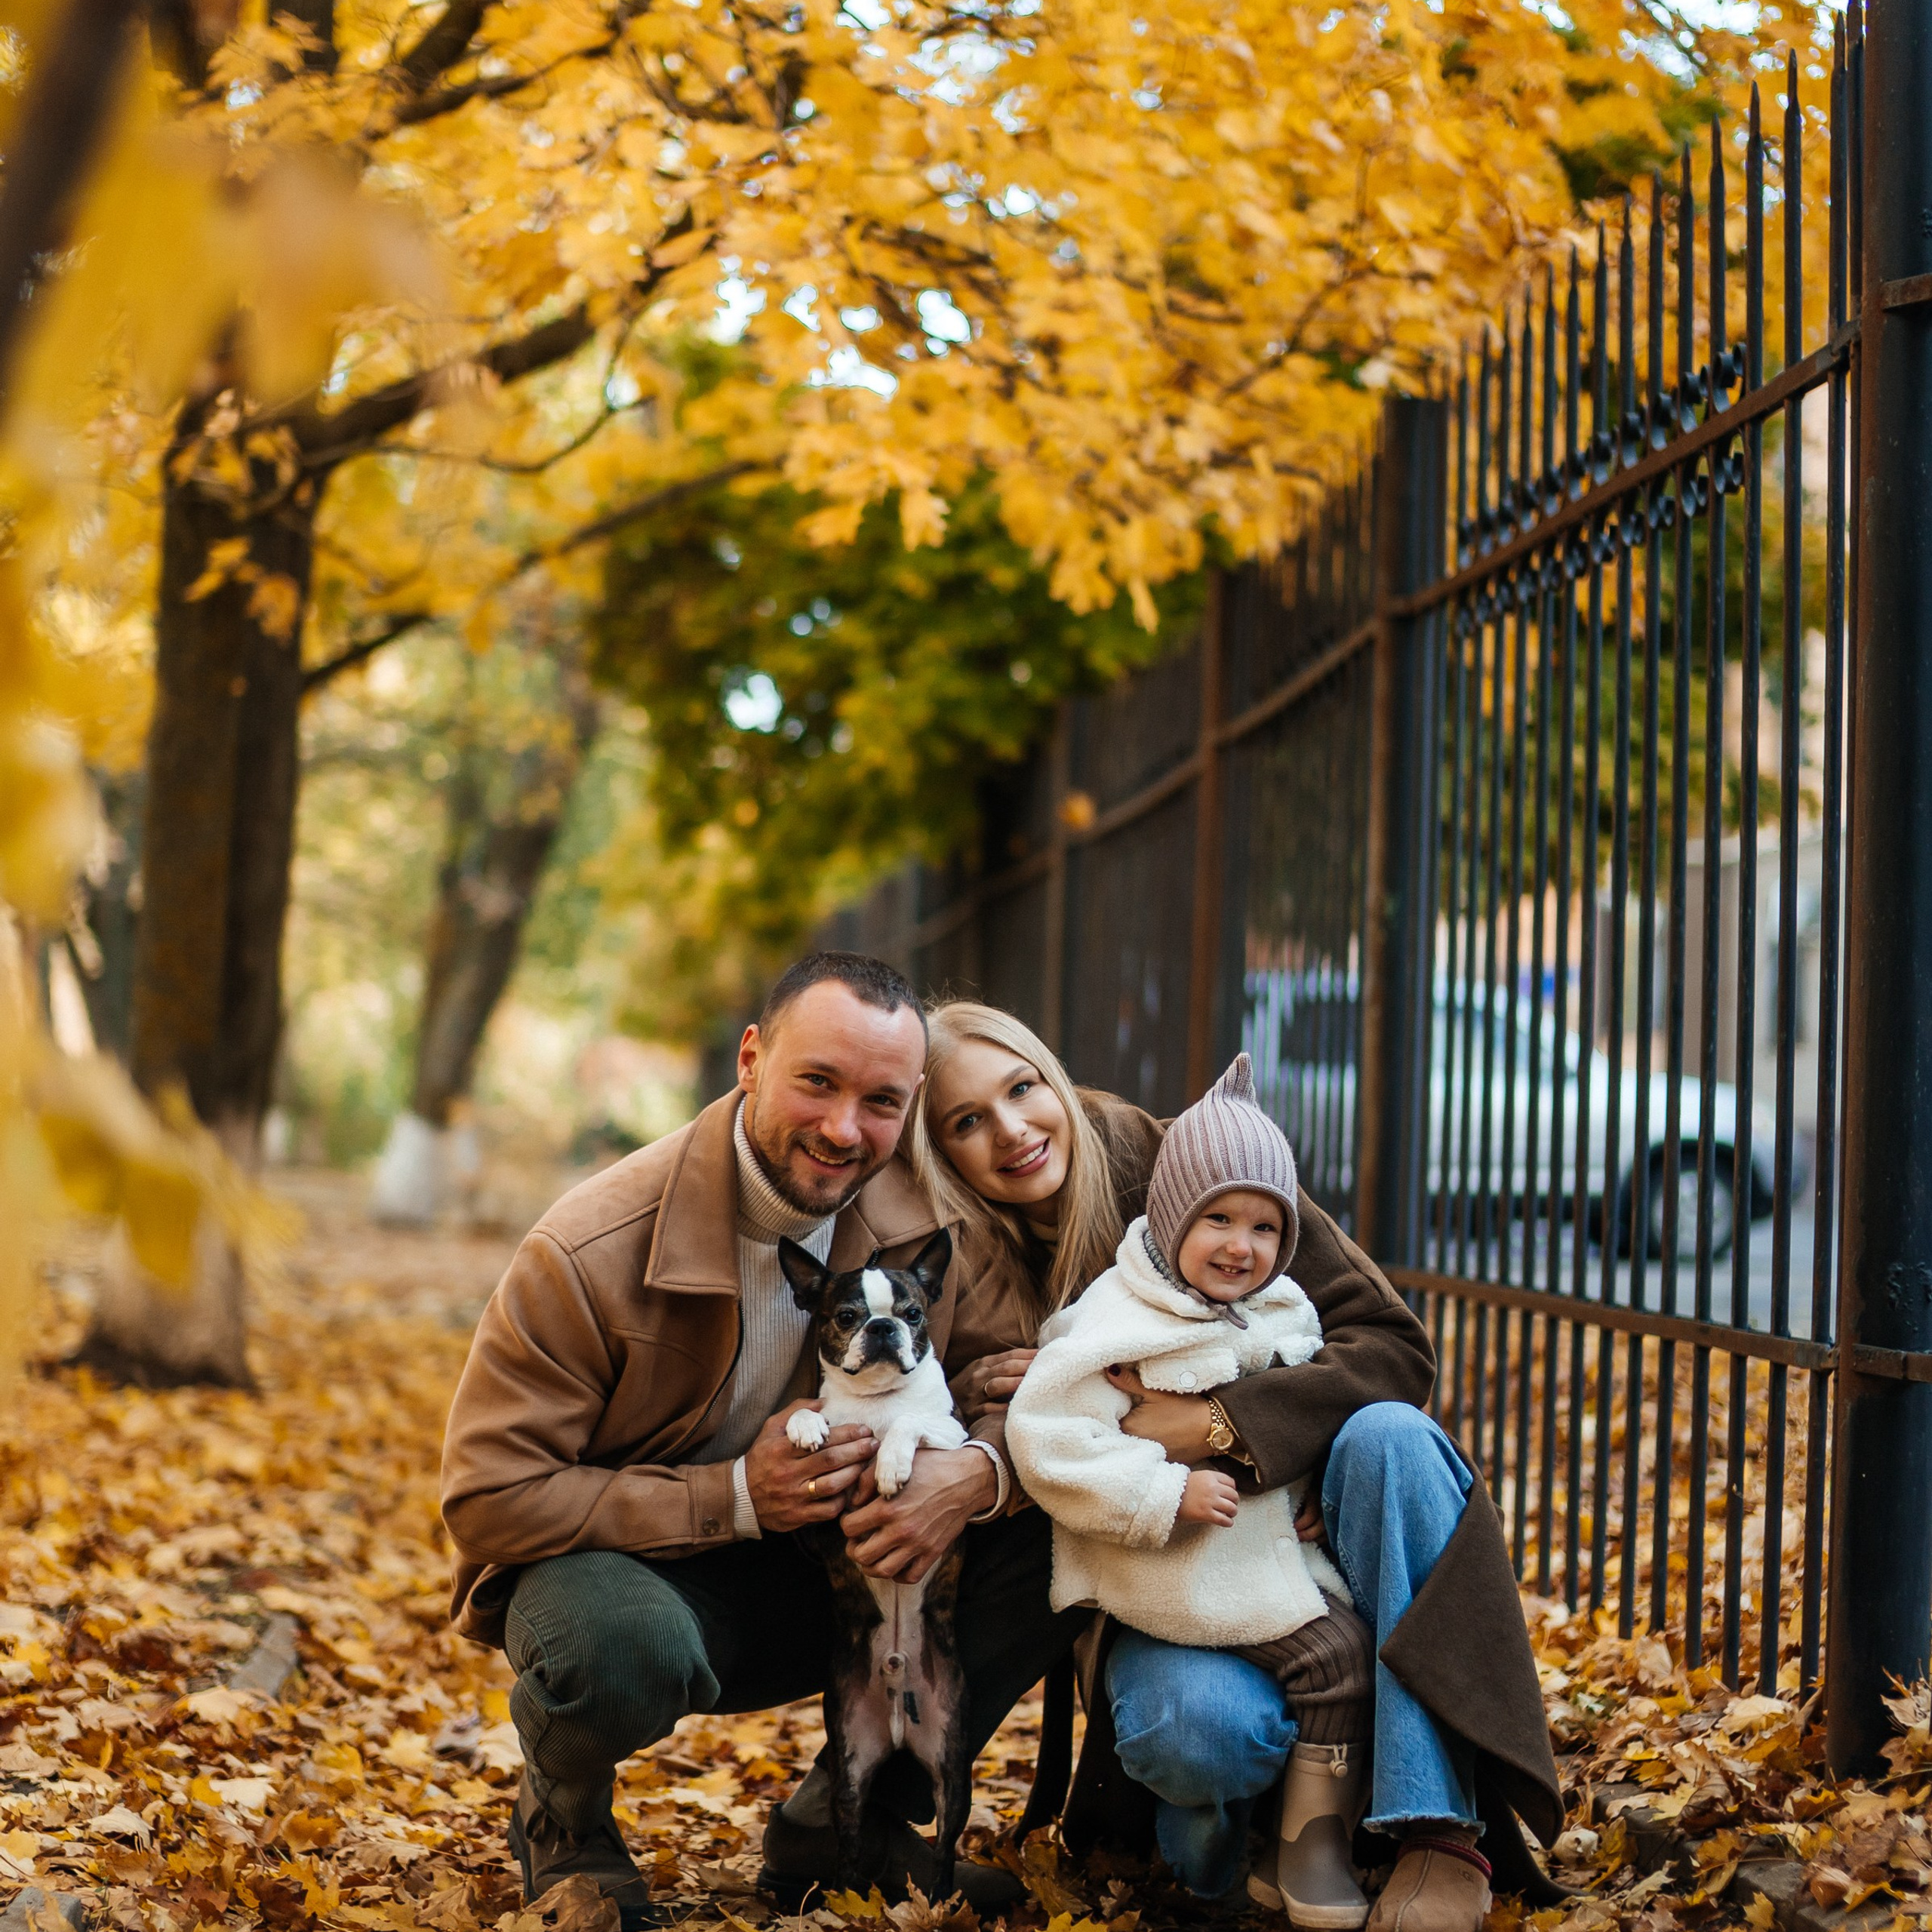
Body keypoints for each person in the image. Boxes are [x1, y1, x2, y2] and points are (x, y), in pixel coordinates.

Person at [438, 955, 1078, 1927]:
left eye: (881, 1101)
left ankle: (848, 1820)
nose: (844, 1129)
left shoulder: (926, 1226)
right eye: (817, 1081)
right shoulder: (589, 1247)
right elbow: (487, 1495)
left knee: (1065, 1520)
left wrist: (968, 1470)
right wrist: (735, 1493)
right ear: (750, 1060)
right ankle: (564, 1816)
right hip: (634, 1575)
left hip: (835, 1572)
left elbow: (1001, 1379)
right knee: (621, 1647)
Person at [911, 1001, 1562, 1932]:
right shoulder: (961, 1257)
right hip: (1165, 1564)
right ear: (939, 1152)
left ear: (1053, 1076)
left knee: (1392, 1436)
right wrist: (980, 1390)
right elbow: (1009, 1424)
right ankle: (1238, 1839)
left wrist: (1226, 1430)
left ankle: (1437, 1831)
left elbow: (1389, 1344)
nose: (1011, 1129)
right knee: (1196, 1735)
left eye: (1021, 1088)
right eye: (967, 1120)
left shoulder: (1201, 1163)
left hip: (1298, 1526)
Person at [1006, 1054, 1380, 1930]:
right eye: (1217, 1218)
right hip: (1173, 1572)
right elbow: (1049, 1441)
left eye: (1264, 1226)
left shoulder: (1284, 1308)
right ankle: (1255, 1858)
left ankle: (1294, 1849)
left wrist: (1312, 1468)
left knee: (1355, 1654)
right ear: (1172, 1217)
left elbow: (1318, 1397)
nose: (1240, 1245)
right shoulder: (1115, 1322)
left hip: (1261, 1560)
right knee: (1326, 1663)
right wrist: (1159, 1492)